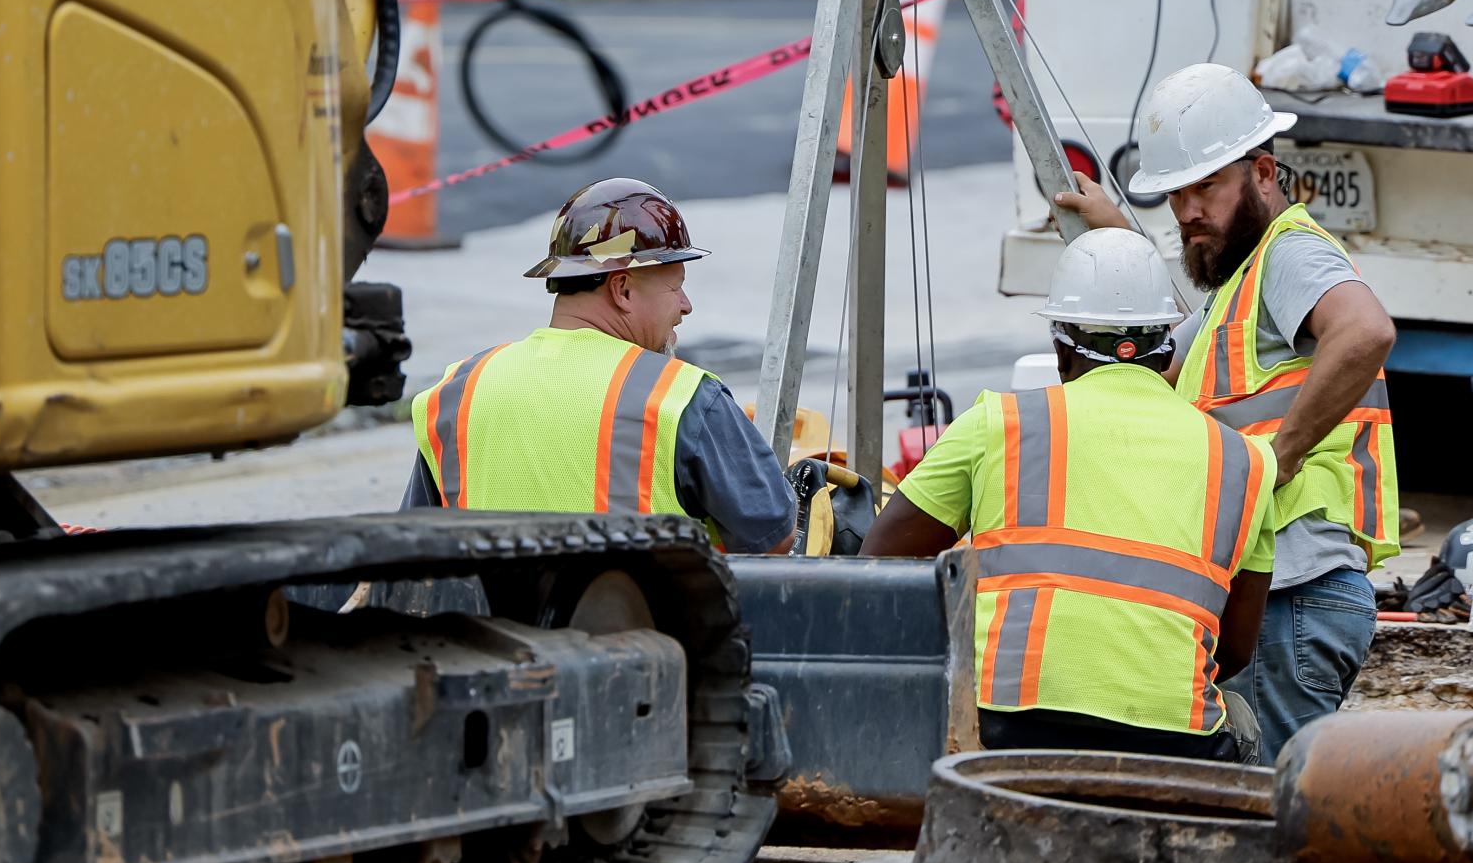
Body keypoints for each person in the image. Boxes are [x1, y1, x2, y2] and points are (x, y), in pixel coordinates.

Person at [1055, 63, 1398, 760]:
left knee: (1275, 827)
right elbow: (1156, 358)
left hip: (1295, 592)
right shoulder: (1235, 288)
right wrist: (1117, 233)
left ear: (1263, 173)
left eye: (1206, 187)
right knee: (1260, 814)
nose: (1187, 212)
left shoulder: (1288, 251)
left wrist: (1279, 457)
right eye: (1176, 195)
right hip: (1276, 597)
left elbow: (1365, 331)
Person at [861, 229, 1277, 761]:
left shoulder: (1001, 423)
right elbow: (1236, 650)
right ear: (1168, 347)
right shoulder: (1246, 462)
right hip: (1174, 742)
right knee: (1238, 717)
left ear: (1061, 351)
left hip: (1006, 728)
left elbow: (879, 566)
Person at [400, 177, 797, 555]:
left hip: (488, 625)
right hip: (641, 624)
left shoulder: (457, 391)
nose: (685, 305)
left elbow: (413, 542)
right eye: (675, 286)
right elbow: (773, 537)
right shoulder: (679, 396)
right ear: (622, 289)